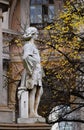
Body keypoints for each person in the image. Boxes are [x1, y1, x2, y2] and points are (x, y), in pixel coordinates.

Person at [18, 27, 43, 118]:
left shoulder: (32, 46)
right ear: (32, 34)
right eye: (36, 33)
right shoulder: (29, 45)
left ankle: (34, 112)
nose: (37, 35)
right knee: (33, 91)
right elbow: (25, 57)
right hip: (32, 71)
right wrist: (32, 66)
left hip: (37, 71)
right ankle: (32, 112)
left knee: (39, 91)